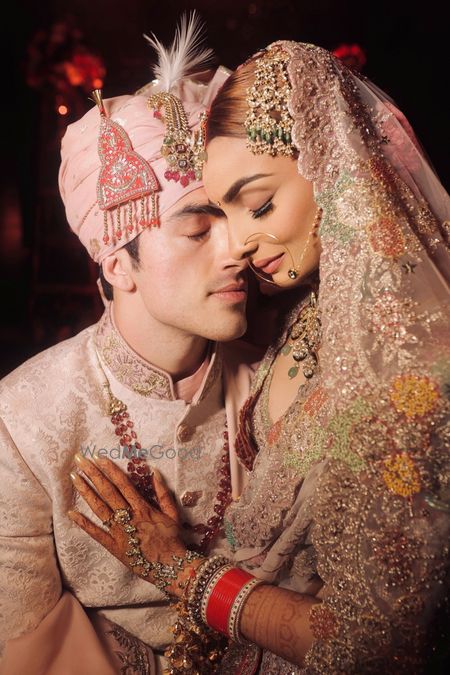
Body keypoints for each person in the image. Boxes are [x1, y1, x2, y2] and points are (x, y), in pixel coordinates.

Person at [71, 40, 450, 674]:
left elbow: (375, 647)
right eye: (215, 216)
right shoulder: (306, 313)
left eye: (260, 204)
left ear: (337, 167)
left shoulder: (408, 373)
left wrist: (182, 570)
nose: (241, 242)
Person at [0, 17, 261, 675]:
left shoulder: (281, 374)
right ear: (119, 265)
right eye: (199, 229)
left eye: (233, 219)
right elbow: (24, 647)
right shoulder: (22, 420)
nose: (239, 249)